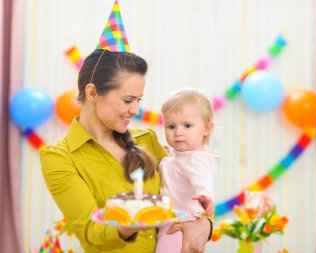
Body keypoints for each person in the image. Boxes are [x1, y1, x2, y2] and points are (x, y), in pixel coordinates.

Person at [40, 49, 212, 253]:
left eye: (138, 100)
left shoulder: (147, 139)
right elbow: (92, 233)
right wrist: (132, 220)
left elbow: (188, 187)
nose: (136, 110)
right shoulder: (60, 158)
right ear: (93, 93)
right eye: (128, 100)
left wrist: (206, 225)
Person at [155, 88, 219, 253]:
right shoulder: (181, 157)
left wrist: (205, 197)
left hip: (179, 228)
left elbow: (202, 179)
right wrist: (168, 158)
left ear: (206, 128)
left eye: (187, 125)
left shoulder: (197, 160)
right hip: (172, 225)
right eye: (171, 126)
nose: (178, 132)